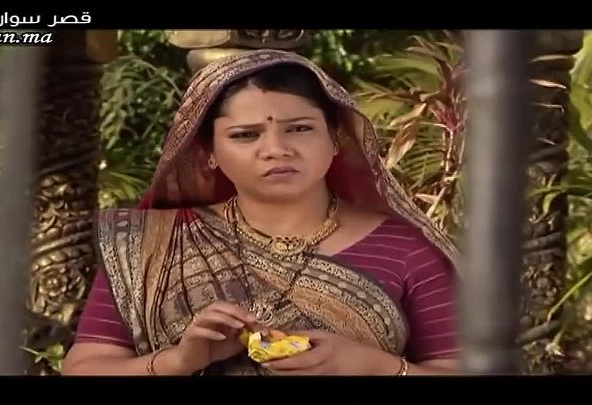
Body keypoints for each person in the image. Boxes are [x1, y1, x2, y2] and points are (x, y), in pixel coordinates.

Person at [62, 49, 461, 376]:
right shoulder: (151, 244)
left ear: (336, 139)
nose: (276, 149)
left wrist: (373, 366)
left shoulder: (407, 250)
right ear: (209, 152)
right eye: (246, 135)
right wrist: (179, 361)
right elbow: (85, 369)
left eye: (300, 128)